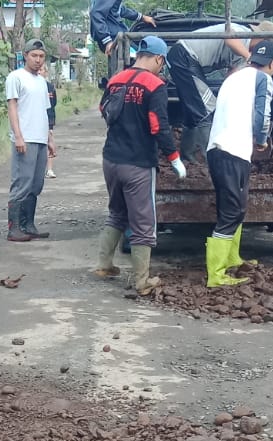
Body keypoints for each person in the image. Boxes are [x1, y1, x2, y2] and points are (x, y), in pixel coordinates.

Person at [95, 35, 186, 295]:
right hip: (137, 164)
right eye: (163, 63)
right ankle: (142, 280)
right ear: (158, 59)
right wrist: (174, 158)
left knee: (117, 213)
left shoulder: (116, 80)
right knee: (144, 221)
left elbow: (104, 109)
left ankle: (104, 265)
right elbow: (159, 126)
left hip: (111, 159)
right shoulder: (155, 85)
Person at [204, 39, 273, 288]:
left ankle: (231, 257)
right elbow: (263, 114)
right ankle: (216, 274)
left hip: (216, 149)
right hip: (234, 150)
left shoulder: (233, 77)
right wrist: (262, 140)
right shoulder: (263, 79)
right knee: (231, 211)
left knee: (234, 207)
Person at [167, 20, 273, 161]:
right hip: (184, 55)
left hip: (187, 59)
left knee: (194, 109)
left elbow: (231, 76)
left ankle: (187, 155)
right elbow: (229, 39)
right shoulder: (242, 33)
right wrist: (249, 58)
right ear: (263, 40)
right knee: (207, 110)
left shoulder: (244, 54)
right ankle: (210, 160)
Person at [6, 39, 53, 242]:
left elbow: (44, 112)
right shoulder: (16, 77)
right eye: (34, 55)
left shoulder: (41, 81)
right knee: (22, 183)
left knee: (36, 184)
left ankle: (29, 225)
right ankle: (14, 228)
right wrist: (18, 136)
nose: (38, 60)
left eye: (41, 56)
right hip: (25, 137)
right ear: (25, 55)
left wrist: (50, 138)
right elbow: (12, 107)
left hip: (40, 137)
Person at [90, 0, 155, 56]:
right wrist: (107, 42)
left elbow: (117, 9)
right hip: (114, 38)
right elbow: (96, 13)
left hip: (117, 35)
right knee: (145, 58)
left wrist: (141, 17)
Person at [46, 70, 60, 179]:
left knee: (49, 143)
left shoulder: (50, 87)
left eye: (42, 70)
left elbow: (54, 102)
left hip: (48, 118)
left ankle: (49, 169)